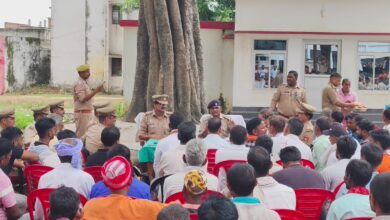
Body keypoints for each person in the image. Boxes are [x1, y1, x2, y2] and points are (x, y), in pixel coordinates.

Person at [83, 156, 165, 219]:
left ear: (105, 183)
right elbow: (173, 210)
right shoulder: (145, 206)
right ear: (130, 181)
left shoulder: (90, 206)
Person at [215, 125, 250, 191]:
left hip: (223, 192)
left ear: (230, 139)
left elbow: (216, 174)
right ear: (246, 138)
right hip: (245, 190)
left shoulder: (219, 153)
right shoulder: (250, 153)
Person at [73, 64, 104, 138]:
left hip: (87, 113)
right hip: (82, 113)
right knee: (81, 135)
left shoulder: (85, 82)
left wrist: (97, 90)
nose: (88, 73)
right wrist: (96, 91)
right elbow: (82, 99)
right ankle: (78, 149)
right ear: (80, 73)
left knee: (87, 135)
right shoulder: (79, 83)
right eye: (86, 72)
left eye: (88, 71)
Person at [0, 138, 21, 220]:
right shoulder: (2, 179)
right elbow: (15, 214)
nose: (10, 159)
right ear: (3, 158)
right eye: (9, 156)